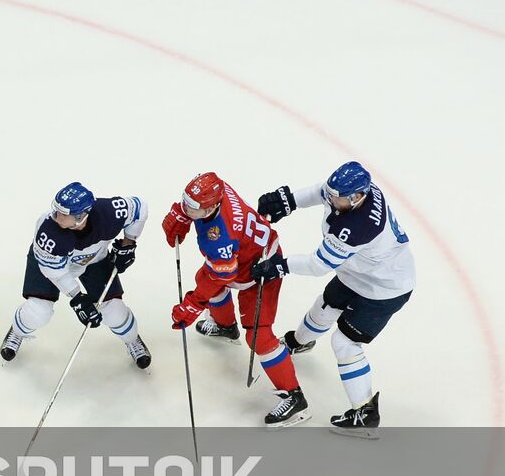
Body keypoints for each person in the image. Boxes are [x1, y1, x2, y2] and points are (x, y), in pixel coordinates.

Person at [252, 161, 414, 437]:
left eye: (338, 197)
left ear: (357, 197)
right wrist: (290, 201)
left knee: (345, 342)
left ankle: (365, 413)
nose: (331, 199)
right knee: (324, 307)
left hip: (384, 289)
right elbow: (322, 192)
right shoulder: (354, 194)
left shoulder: (358, 227)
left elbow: (318, 264)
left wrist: (281, 265)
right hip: (357, 273)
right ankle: (296, 342)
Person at [163, 172, 306, 426]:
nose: (188, 208)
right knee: (204, 280)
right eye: (186, 201)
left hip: (261, 271)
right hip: (243, 258)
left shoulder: (220, 238)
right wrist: (183, 213)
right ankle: (226, 327)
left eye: (194, 208)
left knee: (258, 336)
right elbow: (197, 204)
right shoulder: (218, 189)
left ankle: (295, 398)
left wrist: (193, 304)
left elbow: (219, 275)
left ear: (213, 207)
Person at [0, 182, 151, 369]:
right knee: (38, 311)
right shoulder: (48, 231)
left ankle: (131, 339)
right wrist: (77, 298)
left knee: (114, 312)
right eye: (56, 210)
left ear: (81, 216)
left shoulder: (109, 212)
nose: (56, 216)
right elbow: (54, 271)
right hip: (51, 264)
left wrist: (129, 244)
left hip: (94, 260)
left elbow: (139, 207)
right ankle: (17, 332)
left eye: (63, 214)